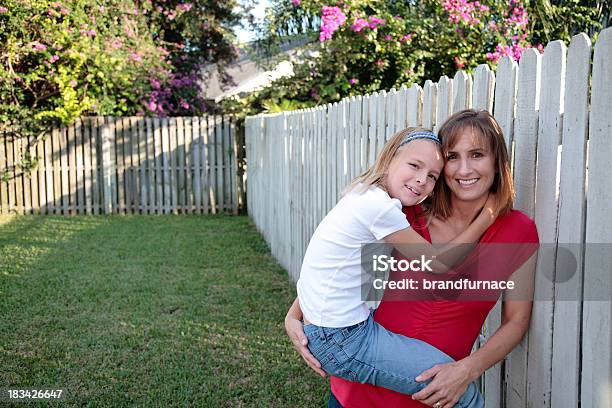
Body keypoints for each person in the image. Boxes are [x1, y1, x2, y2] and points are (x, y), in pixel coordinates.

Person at [285, 109, 539, 408]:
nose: (464, 169)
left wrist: (467, 369)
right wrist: (294, 315)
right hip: (358, 390)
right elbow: (340, 262)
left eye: (477, 154)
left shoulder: (518, 231)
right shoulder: (407, 213)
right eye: (453, 157)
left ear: (497, 161)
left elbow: (516, 321)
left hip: (436, 393)